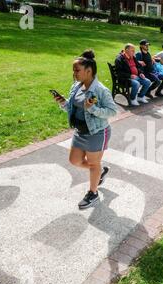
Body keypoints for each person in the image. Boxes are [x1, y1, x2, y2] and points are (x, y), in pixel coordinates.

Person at [53, 49, 118, 209]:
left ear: (88, 71)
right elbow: (73, 106)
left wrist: (93, 109)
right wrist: (63, 103)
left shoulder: (101, 90)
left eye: (77, 70)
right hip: (81, 131)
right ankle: (99, 171)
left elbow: (112, 111)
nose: (74, 73)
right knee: (74, 160)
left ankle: (93, 192)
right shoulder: (76, 86)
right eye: (74, 70)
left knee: (93, 163)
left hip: (97, 132)